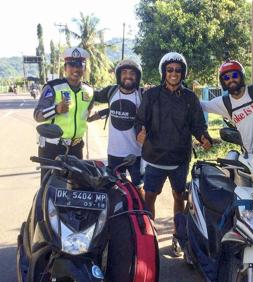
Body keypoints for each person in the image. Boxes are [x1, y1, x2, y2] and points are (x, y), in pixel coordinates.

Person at [135, 52, 212, 256]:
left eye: (178, 70)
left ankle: (178, 237)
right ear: (164, 72)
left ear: (183, 73)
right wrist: (139, 132)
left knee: (179, 196)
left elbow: (198, 124)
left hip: (179, 159)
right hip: (154, 158)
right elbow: (140, 120)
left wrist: (204, 137)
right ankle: (149, 238)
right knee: (150, 196)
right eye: (170, 70)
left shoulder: (190, 97)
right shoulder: (151, 96)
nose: (174, 73)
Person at [88, 59, 145, 198]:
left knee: (140, 189)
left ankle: (145, 217)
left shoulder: (143, 95)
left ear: (137, 77)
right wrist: (93, 113)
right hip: (114, 153)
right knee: (115, 190)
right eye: (124, 72)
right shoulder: (111, 91)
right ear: (119, 75)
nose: (128, 76)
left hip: (136, 153)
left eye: (132, 73)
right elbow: (89, 95)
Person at [33, 47, 93, 179]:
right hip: (52, 147)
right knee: (49, 187)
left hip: (76, 148)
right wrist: (56, 110)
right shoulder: (53, 87)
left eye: (80, 65)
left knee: (76, 187)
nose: (76, 69)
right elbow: (37, 115)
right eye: (71, 65)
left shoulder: (89, 91)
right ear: (65, 68)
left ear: (84, 68)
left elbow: (86, 112)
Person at [200, 60, 253, 152]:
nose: (231, 80)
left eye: (235, 76)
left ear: (241, 76)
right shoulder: (224, 102)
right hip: (248, 155)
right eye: (226, 78)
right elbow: (200, 105)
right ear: (223, 81)